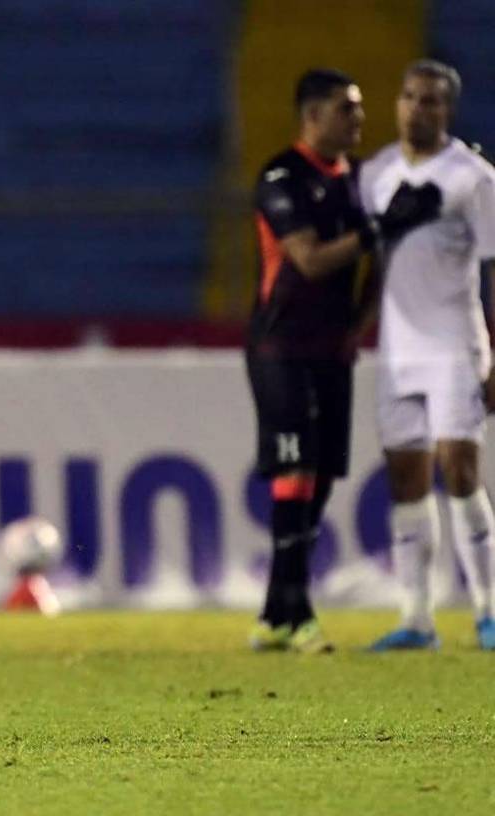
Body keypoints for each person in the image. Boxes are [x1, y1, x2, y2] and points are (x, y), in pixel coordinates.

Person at [246, 68, 442, 654]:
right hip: (281, 348)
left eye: (358, 109)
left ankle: (275, 616)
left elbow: (387, 254)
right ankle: (298, 611)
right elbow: (306, 259)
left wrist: (362, 319)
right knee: (295, 472)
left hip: (332, 349)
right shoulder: (282, 176)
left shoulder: (362, 180)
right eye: (346, 109)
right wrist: (378, 230)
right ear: (312, 116)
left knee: (323, 477)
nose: (359, 119)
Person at [360, 60, 495, 651]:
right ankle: (416, 618)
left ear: (449, 109)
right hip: (397, 350)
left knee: (460, 471)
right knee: (405, 479)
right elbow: (373, 262)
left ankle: (489, 611)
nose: (419, 108)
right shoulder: (376, 173)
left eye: (432, 100)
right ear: (399, 103)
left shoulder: (475, 177)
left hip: (454, 345)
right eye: (411, 97)